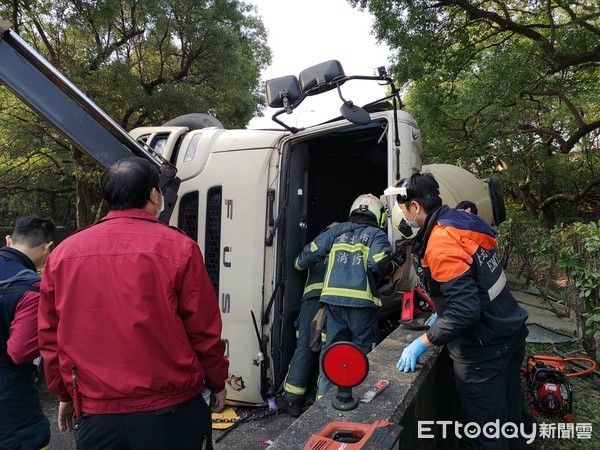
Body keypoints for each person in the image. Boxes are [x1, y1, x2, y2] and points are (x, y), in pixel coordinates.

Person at [38, 157, 229, 450]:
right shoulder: (179, 248)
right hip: (171, 410)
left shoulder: (63, 254)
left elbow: (50, 336)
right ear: (155, 195)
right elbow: (203, 330)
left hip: (97, 413)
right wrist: (217, 382)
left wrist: (65, 393)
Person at [391, 173, 528, 449]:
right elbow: (477, 281)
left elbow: (465, 311)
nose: (403, 215)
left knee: (489, 434)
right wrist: (444, 309)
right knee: (511, 418)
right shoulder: (460, 221)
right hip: (509, 332)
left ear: (415, 207)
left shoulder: (441, 242)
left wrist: (423, 341)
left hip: (483, 351)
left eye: (403, 208)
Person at [294, 194, 403, 396]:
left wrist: (298, 263)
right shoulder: (376, 235)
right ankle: (359, 401)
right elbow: (378, 264)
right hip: (361, 307)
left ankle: (323, 403)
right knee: (362, 354)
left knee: (331, 354)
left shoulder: (336, 231)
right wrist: (396, 261)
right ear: (378, 216)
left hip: (332, 305)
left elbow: (309, 255)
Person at [1, 215, 55, 450]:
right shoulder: (30, 289)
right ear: (48, 247)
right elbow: (21, 351)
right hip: (11, 402)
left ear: (8, 240)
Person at [277, 255, 329, 416]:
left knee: (305, 347)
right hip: (337, 302)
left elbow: (299, 263)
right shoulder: (359, 241)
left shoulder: (322, 242)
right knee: (328, 349)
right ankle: (321, 401)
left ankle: (292, 399)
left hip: (312, 299)